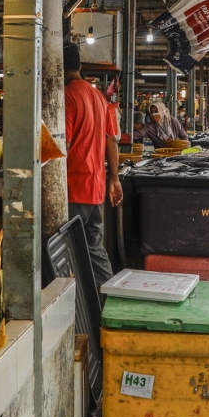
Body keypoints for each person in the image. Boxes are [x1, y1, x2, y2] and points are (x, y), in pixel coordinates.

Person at [63, 43, 124, 288]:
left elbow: (62, 146)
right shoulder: (99, 96)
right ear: (79, 66)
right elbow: (112, 141)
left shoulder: (66, 96)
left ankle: (71, 310)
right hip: (95, 189)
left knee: (63, 252)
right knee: (94, 251)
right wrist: (114, 179)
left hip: (72, 188)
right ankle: (106, 304)